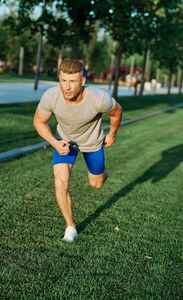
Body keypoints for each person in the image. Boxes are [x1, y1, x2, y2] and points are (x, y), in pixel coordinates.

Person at [33, 58, 122, 242]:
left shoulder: (98, 98)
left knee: (96, 184)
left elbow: (117, 111)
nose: (67, 86)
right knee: (60, 182)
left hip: (92, 143)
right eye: (63, 80)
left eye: (72, 81)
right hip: (65, 143)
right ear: (59, 78)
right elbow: (38, 122)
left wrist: (112, 134)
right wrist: (54, 142)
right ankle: (70, 227)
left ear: (82, 81)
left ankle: (103, 173)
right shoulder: (51, 96)